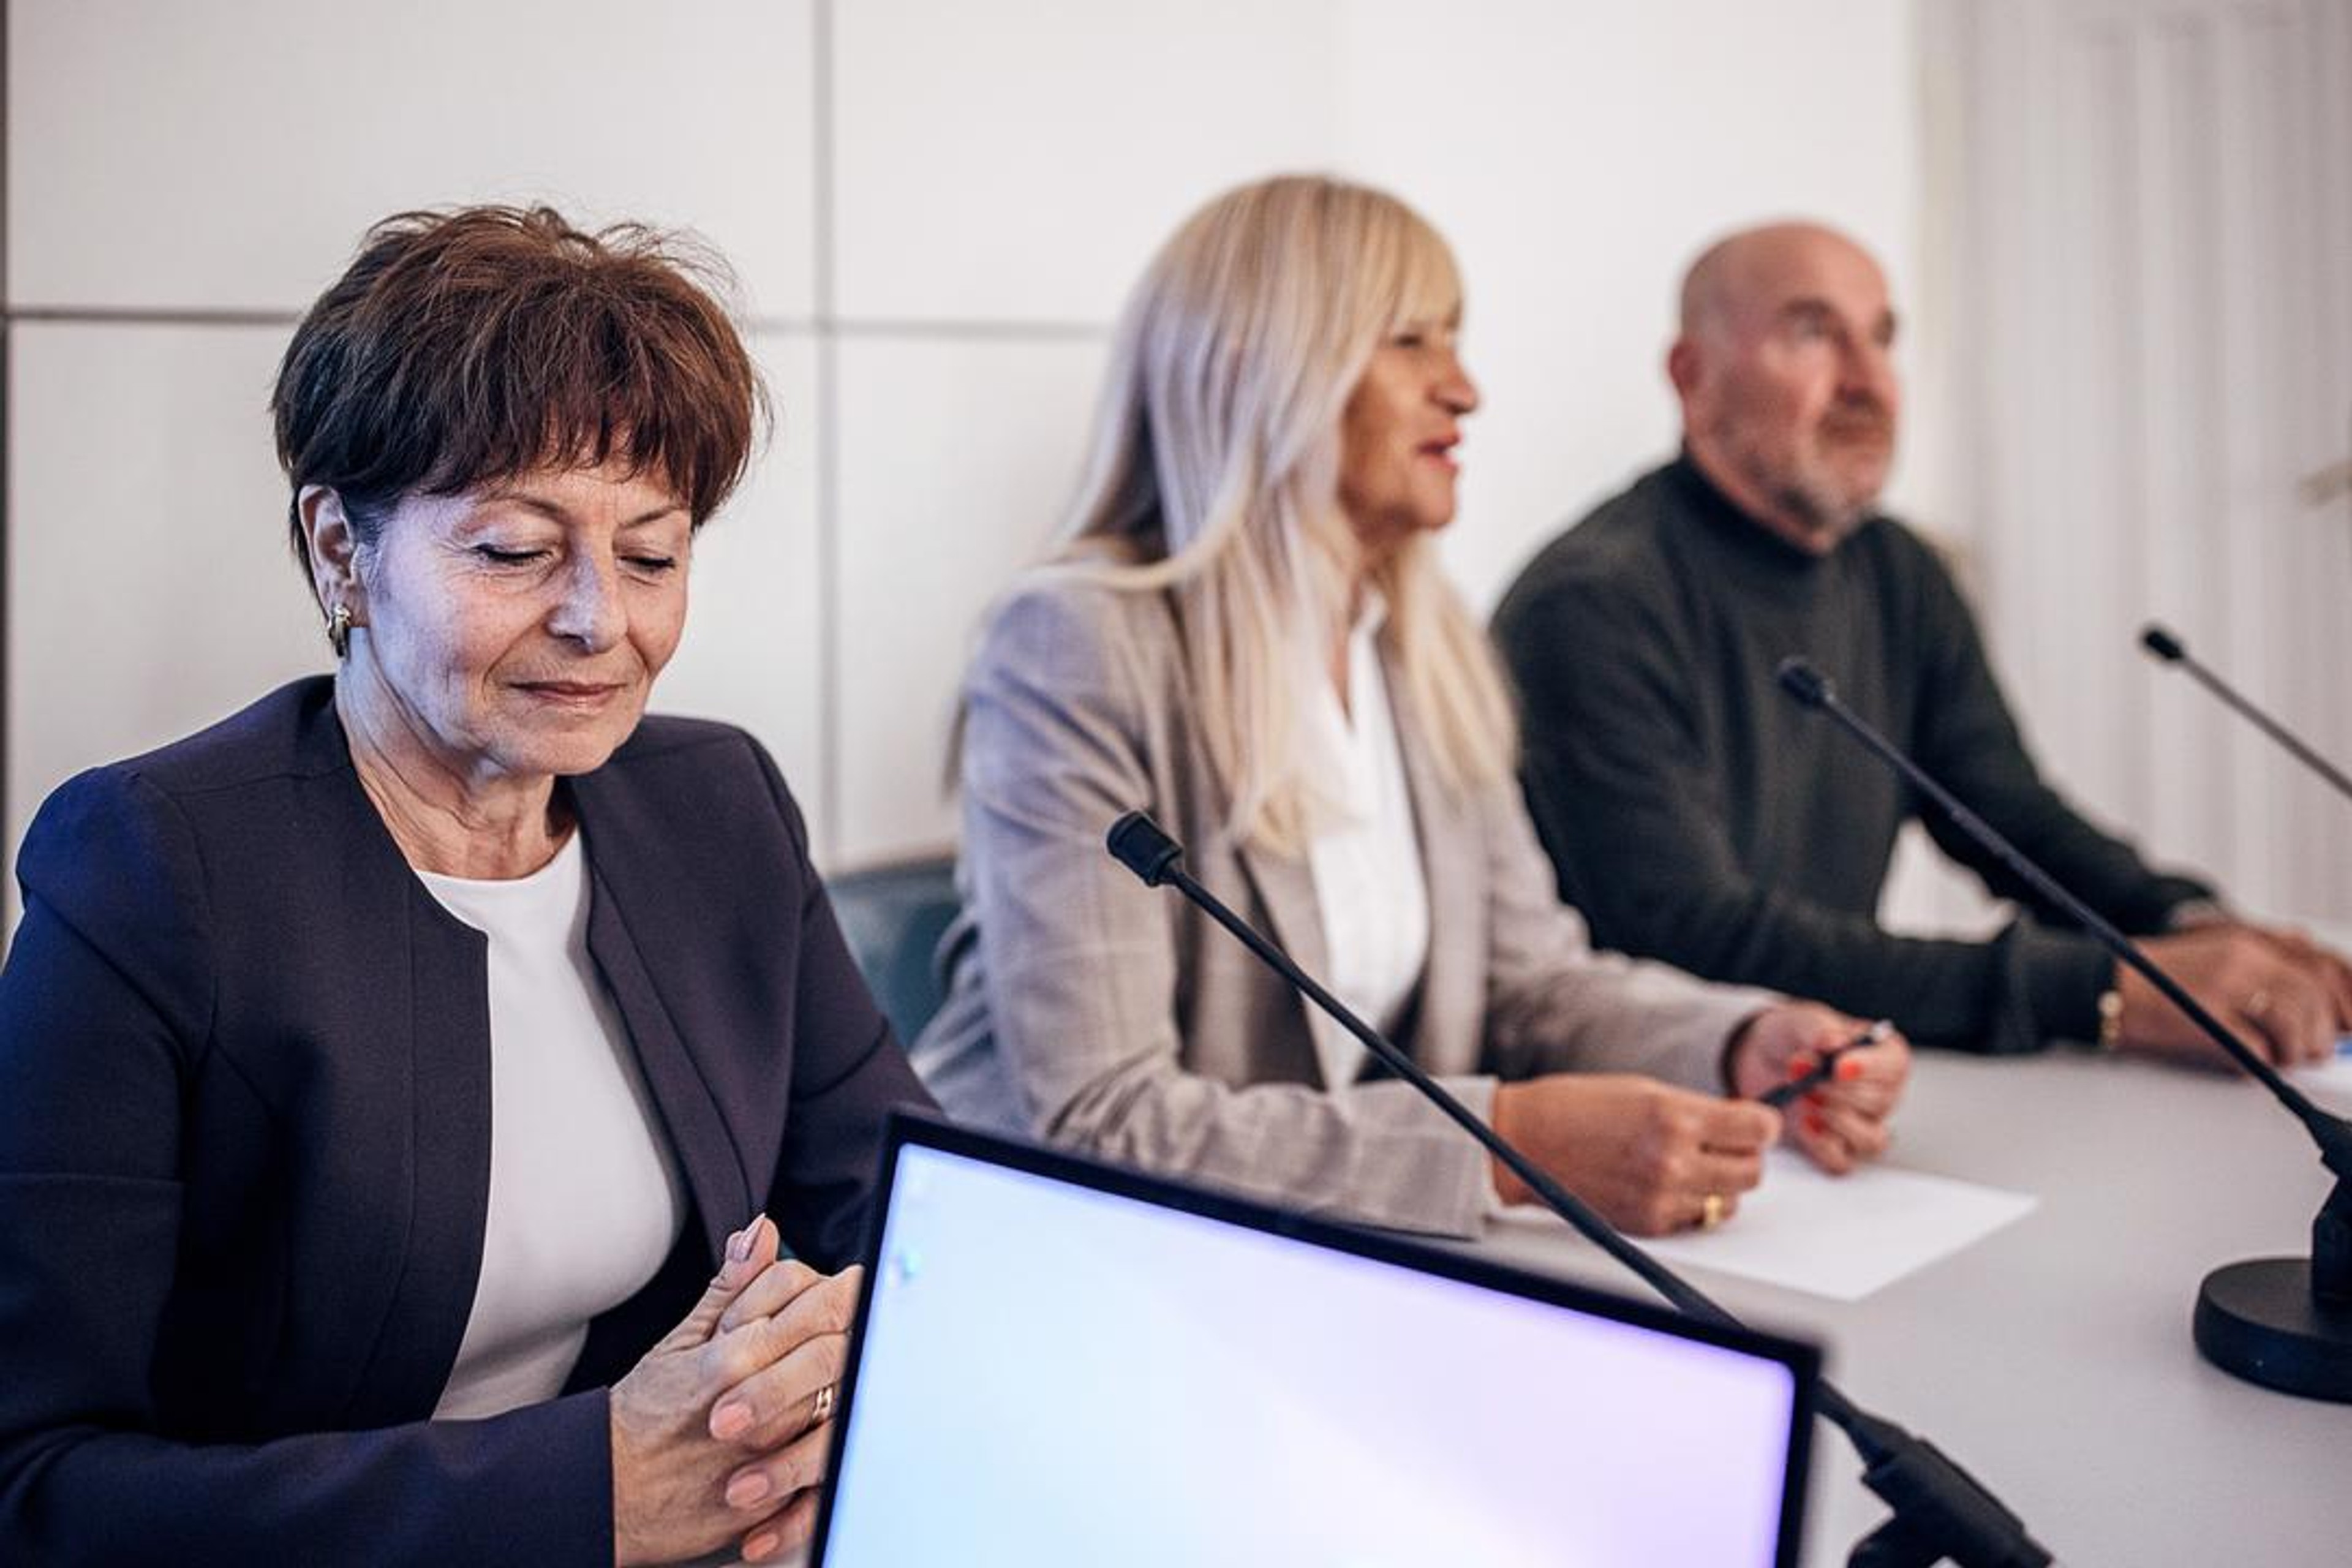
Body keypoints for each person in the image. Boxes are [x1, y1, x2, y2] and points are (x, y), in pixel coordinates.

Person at [0, 207, 933, 1567]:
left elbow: (895, 1224)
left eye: (652, 554)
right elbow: (38, 1487)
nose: (599, 619)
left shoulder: (716, 806)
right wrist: (598, 1489)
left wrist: (814, 1395)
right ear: (342, 550)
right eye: (513, 551)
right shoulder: (154, 869)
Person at [911, 176, 1908, 1241]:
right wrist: (1510, 1150)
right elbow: (1102, 1118)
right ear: (1257, 370)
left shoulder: (1423, 652)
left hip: (1295, 1256)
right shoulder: (1077, 646)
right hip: (1044, 1248)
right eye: (1410, 341)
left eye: (1456, 342)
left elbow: (1532, 986)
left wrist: (1743, 1040)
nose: (1464, 390)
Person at [1492, 219, 2352, 1065]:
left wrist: (2190, 925)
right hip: (1660, 1096)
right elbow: (1692, 937)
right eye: (1813, 334)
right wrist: (2107, 990)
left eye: (1882, 338)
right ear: (1693, 376)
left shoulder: (1895, 570)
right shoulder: (1590, 606)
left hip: (1838, 1084)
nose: (1868, 382)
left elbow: (2007, 816)